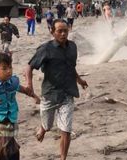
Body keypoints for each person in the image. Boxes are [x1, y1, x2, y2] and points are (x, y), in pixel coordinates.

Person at [24, 19, 88, 160]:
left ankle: (62, 158)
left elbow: (71, 67)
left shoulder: (72, 47)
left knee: (66, 129)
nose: (63, 34)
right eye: (60, 31)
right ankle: (43, 127)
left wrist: (80, 80)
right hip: (50, 94)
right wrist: (29, 85)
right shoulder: (45, 49)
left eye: (65, 30)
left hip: (67, 92)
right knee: (47, 124)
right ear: (52, 32)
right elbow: (29, 66)